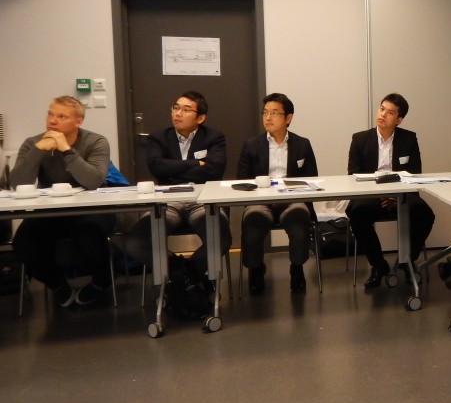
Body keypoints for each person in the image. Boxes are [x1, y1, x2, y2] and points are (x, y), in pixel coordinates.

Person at [11, 96, 113, 308]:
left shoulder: (96, 141)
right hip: (51, 211)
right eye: (50, 114)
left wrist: (66, 150)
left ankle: (101, 283)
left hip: (90, 209)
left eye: (61, 116)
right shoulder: (33, 143)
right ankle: (57, 284)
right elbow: (18, 183)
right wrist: (39, 151)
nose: (52, 120)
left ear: (78, 122)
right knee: (23, 243)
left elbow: (93, 180)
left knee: (90, 235)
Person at [125, 91, 230, 279]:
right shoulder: (159, 137)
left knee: (220, 238)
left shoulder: (214, 137)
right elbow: (157, 167)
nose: (178, 113)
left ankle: (188, 273)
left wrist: (172, 170)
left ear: (200, 118)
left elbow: (214, 171)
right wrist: (195, 164)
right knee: (137, 243)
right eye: (176, 107)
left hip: (201, 201)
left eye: (186, 109)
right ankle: (179, 272)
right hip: (167, 202)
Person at [347, 93, 435, 291]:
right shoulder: (360, 139)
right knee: (356, 212)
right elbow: (353, 175)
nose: (383, 114)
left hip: (402, 195)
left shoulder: (409, 139)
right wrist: (380, 195)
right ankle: (378, 265)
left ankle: (407, 259)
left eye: (390, 112)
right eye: (381, 109)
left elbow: (415, 174)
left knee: (425, 213)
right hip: (370, 196)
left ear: (399, 119)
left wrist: (396, 196)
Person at [237, 93, 319, 294]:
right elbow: (241, 181)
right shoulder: (251, 145)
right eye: (265, 113)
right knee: (253, 220)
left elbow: (312, 178)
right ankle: (256, 269)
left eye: (274, 113)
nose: (268, 118)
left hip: (291, 200)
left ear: (288, 118)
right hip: (260, 201)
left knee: (300, 217)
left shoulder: (302, 144)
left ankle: (297, 268)